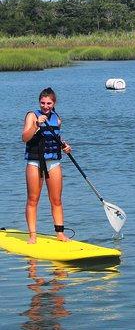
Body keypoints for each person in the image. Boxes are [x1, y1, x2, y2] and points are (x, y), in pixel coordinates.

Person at [22, 87, 72, 244]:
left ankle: (60, 234)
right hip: (35, 162)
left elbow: (56, 137)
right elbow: (25, 137)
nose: (45, 106)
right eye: (43, 103)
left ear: (54, 103)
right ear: (39, 102)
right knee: (33, 199)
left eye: (49, 103)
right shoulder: (32, 115)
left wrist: (64, 146)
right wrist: (36, 125)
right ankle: (32, 235)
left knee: (56, 200)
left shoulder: (57, 118)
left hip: (53, 162)